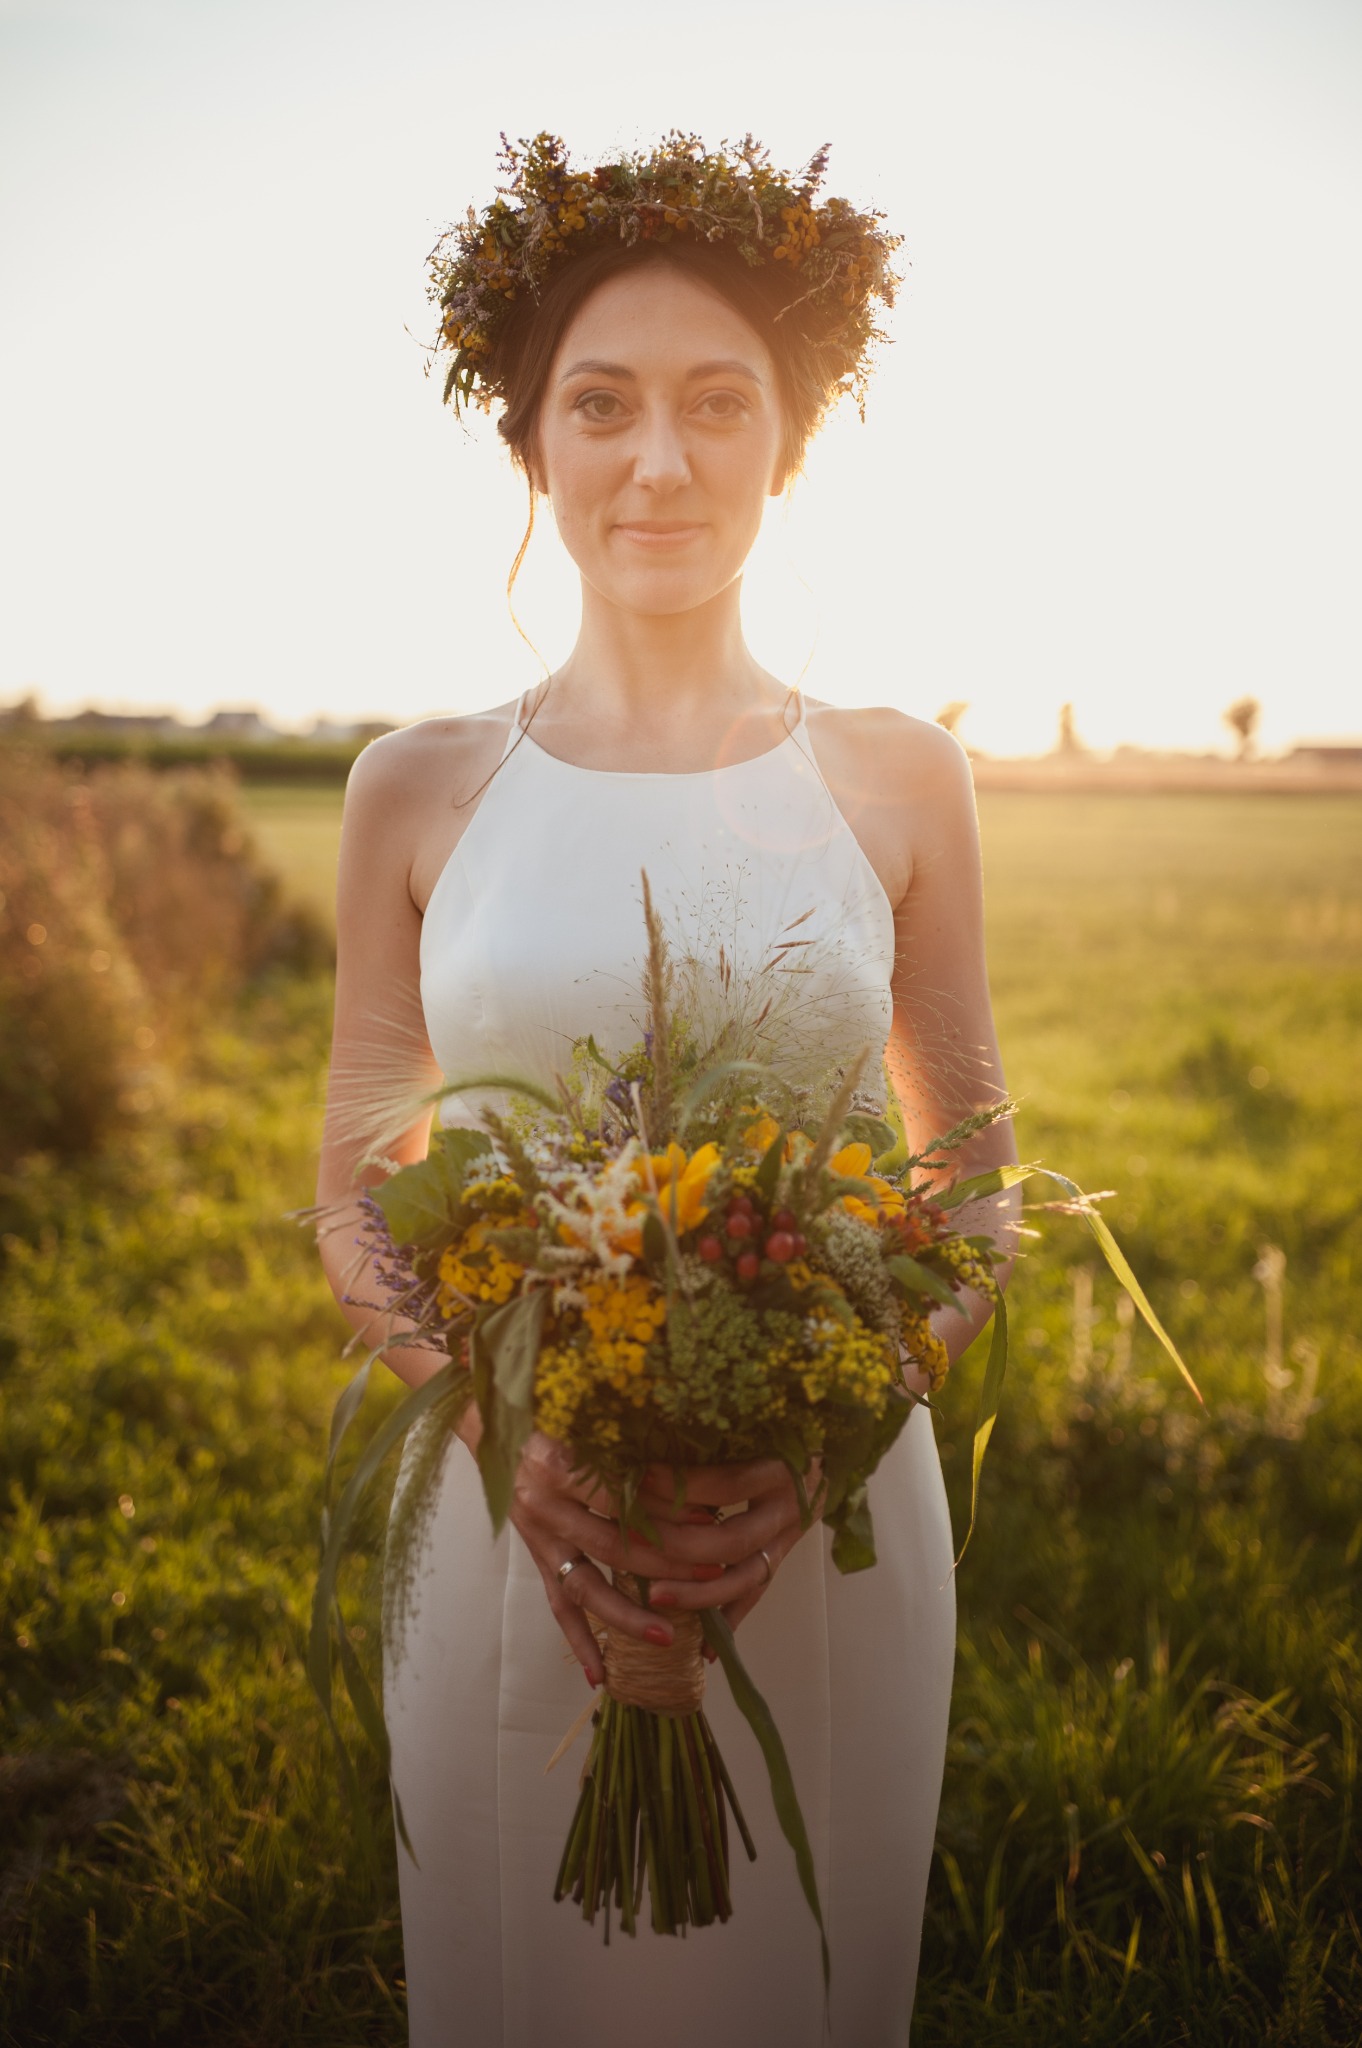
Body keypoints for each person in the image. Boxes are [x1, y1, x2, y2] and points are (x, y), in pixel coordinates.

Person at [316, 133, 1020, 2048]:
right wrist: (508, 1428)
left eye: (720, 405)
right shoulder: (416, 785)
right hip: (501, 1520)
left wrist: (812, 1446)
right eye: (601, 405)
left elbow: (974, 1193)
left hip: (820, 1534)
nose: (659, 459)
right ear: (529, 443)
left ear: (788, 445)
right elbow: (350, 1195)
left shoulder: (899, 779)